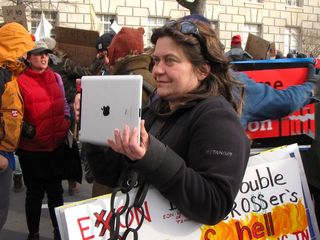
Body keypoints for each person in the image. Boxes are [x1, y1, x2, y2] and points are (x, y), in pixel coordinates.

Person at [75, 18, 250, 229]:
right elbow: (111, 176)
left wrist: (151, 155)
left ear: (203, 70)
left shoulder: (218, 119)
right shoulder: (157, 109)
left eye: (170, 61)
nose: (157, 70)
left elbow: (215, 205)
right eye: (156, 60)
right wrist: (93, 127)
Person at [17, 41, 70, 240]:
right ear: (28, 57)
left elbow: (63, 102)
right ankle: (34, 234)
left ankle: (59, 233)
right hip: (32, 150)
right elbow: (12, 114)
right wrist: (28, 130)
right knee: (35, 194)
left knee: (56, 194)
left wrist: (66, 121)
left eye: (45, 54)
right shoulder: (19, 81)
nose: (43, 57)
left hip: (55, 147)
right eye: (38, 54)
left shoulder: (55, 77)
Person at [0, 22, 34, 232]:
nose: (27, 56)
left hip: (7, 153)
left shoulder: (10, 75)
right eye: (24, 50)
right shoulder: (1, 75)